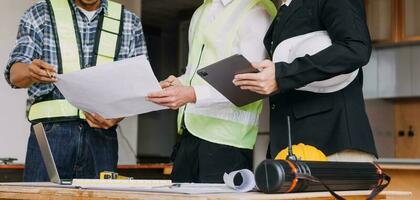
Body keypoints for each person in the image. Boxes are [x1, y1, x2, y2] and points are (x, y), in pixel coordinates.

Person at [4, 0, 147, 181]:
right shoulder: (41, 12)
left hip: (101, 138)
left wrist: (118, 114)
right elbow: (15, 74)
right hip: (50, 135)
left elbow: (138, 84)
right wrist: (29, 71)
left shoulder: (128, 21)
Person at [147, 0, 276, 183]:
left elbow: (250, 85)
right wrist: (178, 84)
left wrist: (191, 94)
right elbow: (195, 73)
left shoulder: (256, 11)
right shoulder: (201, 11)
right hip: (189, 135)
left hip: (227, 143)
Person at [233, 0, 377, 161]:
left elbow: (355, 48)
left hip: (333, 143)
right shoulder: (283, 10)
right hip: (291, 149)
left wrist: (281, 75)